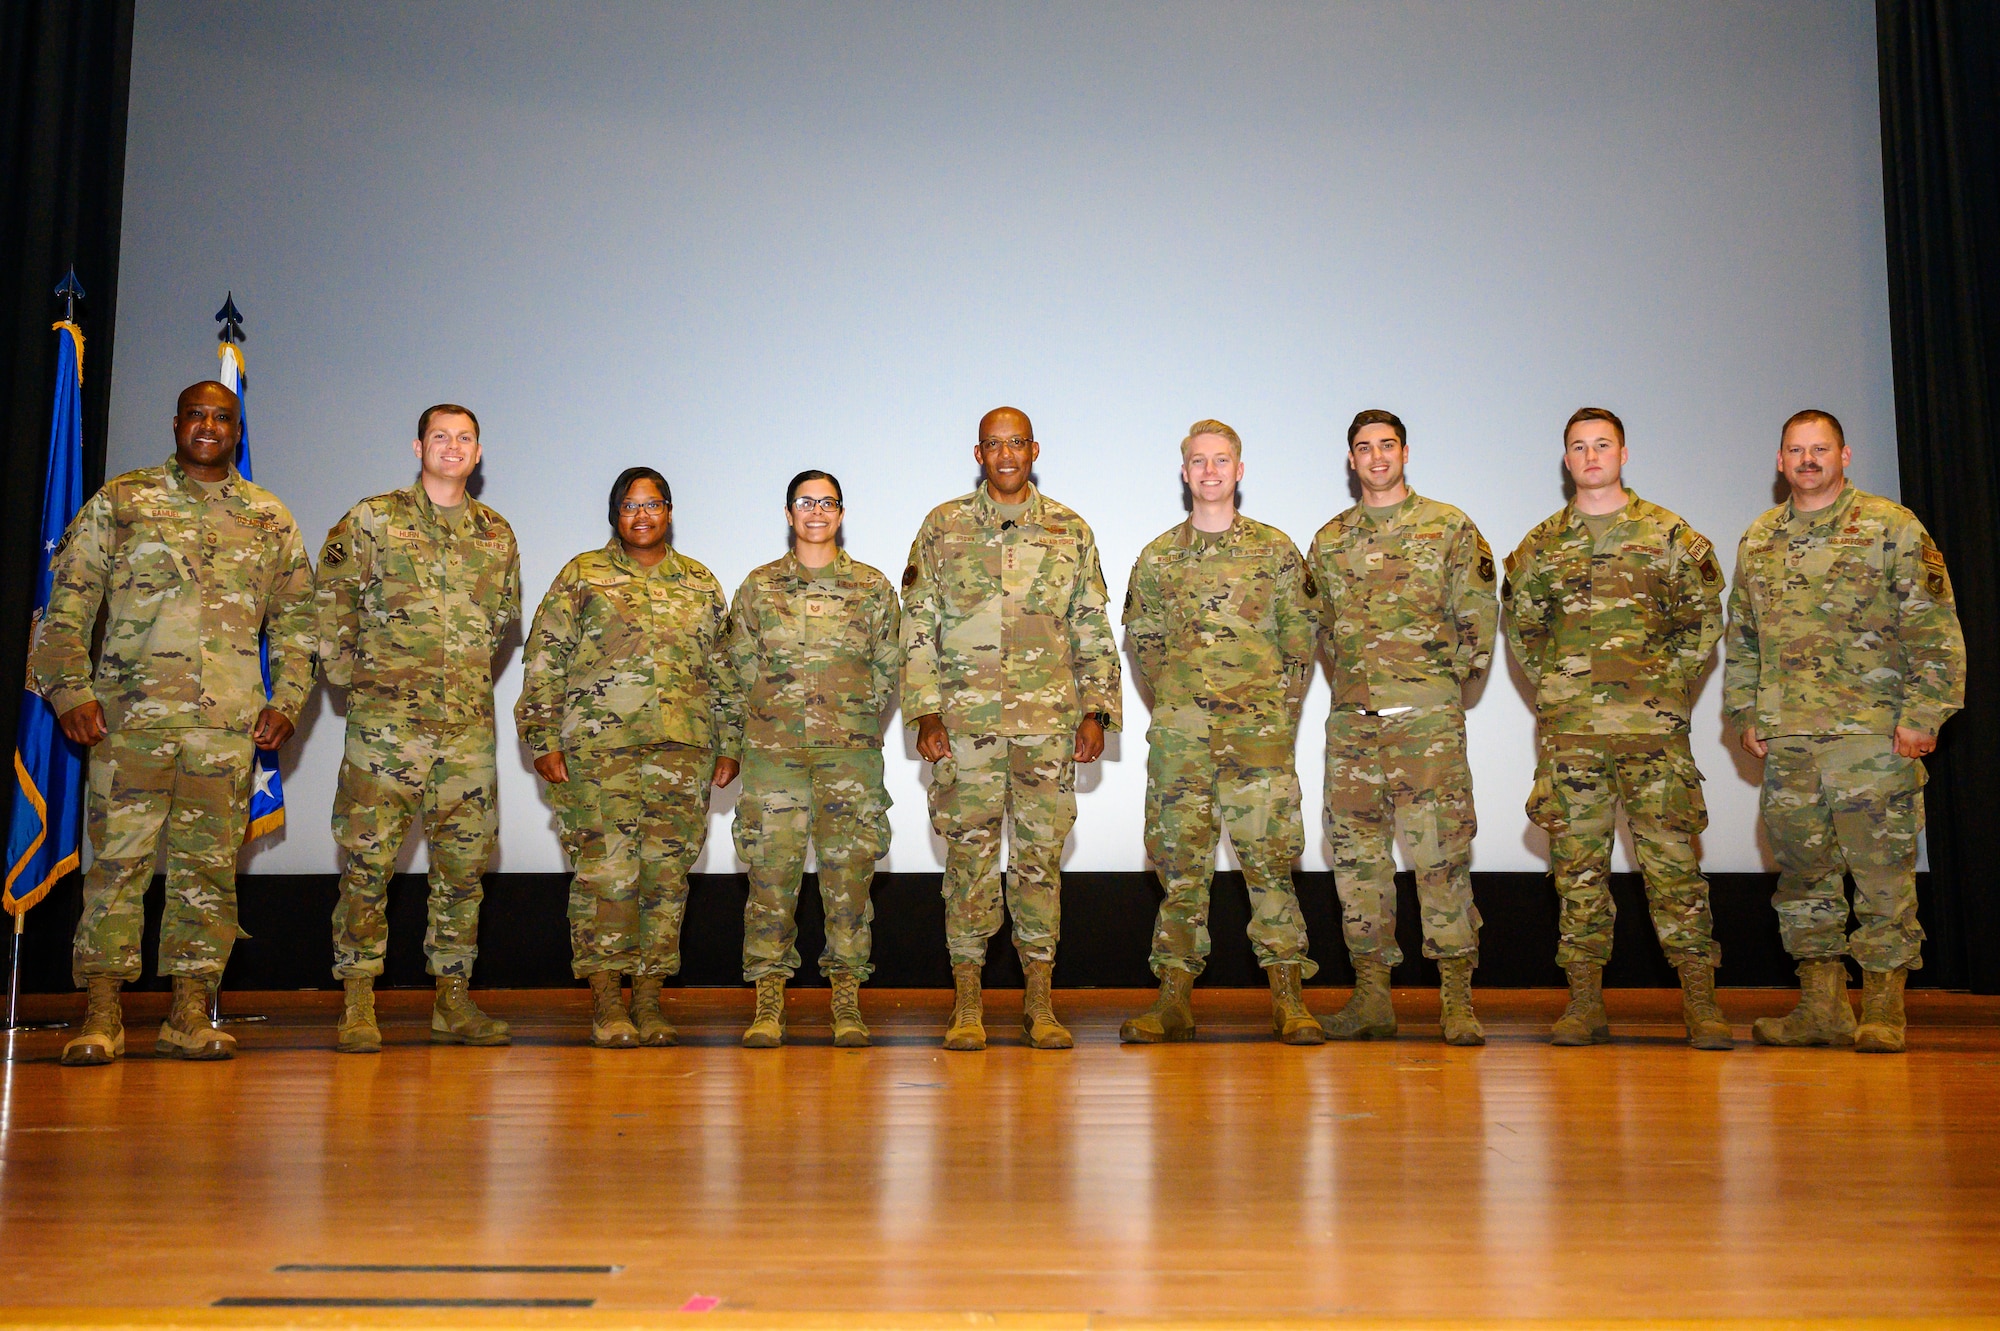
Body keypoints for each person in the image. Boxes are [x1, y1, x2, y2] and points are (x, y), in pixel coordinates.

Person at [35, 381, 315, 1066]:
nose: (209, 426)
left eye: (222, 417)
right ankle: (102, 1013)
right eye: (197, 414)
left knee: (208, 872)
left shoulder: (267, 516)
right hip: (128, 723)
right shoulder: (123, 502)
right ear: (176, 423)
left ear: (237, 430)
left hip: (226, 728)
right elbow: (66, 603)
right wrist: (71, 690)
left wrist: (290, 700)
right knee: (117, 871)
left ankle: (190, 1012)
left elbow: (301, 623)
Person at [1724, 409, 1964, 1054]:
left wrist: (1923, 717)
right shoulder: (1760, 538)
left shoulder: (1891, 528)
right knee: (1805, 880)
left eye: (1819, 449)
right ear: (1779, 462)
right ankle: (1821, 1010)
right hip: (1790, 745)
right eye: (1796, 451)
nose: (1807, 460)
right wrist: (1744, 712)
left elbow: (1934, 632)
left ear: (1844, 455)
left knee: (1884, 876)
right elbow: (1743, 637)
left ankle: (1884, 1011)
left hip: (1873, 741)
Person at [1504, 407, 1731, 1049]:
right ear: (1567, 460)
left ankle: (1701, 1005)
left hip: (1654, 736)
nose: (1591, 455)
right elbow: (1523, 631)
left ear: (1623, 454)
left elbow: (1701, 620)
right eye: (1579, 447)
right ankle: (1583, 1005)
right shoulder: (1543, 545)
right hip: (1572, 738)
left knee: (1675, 870)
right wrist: (1559, 688)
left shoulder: (1666, 534)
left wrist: (1663, 685)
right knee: (1576, 871)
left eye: (1603, 444)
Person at [902, 406, 1121, 1050]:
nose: (1005, 455)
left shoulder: (1068, 530)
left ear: (1034, 450)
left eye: (1016, 443)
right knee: (967, 862)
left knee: (1039, 864)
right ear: (978, 453)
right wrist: (925, 711)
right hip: (963, 728)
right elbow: (917, 624)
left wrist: (1095, 710)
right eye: (993, 445)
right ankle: (967, 1005)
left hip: (1046, 729)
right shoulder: (942, 527)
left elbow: (1090, 625)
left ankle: (1039, 1005)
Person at [316, 404, 521, 1052]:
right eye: (441, 437)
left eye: (464, 439)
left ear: (479, 452)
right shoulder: (373, 518)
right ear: (418, 445)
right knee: (368, 863)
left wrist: (455, 680)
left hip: (464, 727)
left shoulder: (497, 533)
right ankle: (357, 1001)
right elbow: (332, 603)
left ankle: (452, 999)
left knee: (462, 867)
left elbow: (500, 625)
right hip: (387, 729)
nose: (452, 447)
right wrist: (360, 683)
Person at [518, 467, 739, 1048]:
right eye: (630, 506)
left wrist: (731, 741)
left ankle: (648, 1000)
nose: (642, 515)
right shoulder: (583, 576)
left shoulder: (700, 583)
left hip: (682, 754)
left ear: (669, 512)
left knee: (666, 881)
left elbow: (725, 670)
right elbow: (545, 657)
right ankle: (605, 1003)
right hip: (598, 755)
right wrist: (542, 739)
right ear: (614, 514)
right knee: (606, 877)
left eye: (654, 504)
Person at [1119, 421, 1324, 1045]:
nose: (1210, 471)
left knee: (1270, 869)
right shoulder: (1157, 558)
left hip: (1258, 740)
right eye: (1198, 462)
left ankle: (1289, 999)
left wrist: (1270, 715)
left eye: (1222, 460)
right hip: (1181, 742)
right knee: (1181, 873)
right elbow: (1146, 646)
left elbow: (1300, 643)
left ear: (1239, 470)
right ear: (1184, 474)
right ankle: (1175, 1000)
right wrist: (1184, 706)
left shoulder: (1275, 552)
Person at [1307, 409, 1497, 1045]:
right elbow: (1324, 630)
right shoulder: (1329, 540)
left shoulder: (1449, 528)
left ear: (1406, 453)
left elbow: (1477, 620)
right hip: (1353, 726)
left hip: (1426, 726)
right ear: (1352, 460)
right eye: (1364, 448)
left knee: (1440, 855)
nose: (1377, 457)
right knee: (1358, 863)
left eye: (1387, 445)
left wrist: (1434, 693)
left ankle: (1456, 1001)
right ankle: (1371, 999)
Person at [723, 471, 899, 1048]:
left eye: (827, 503)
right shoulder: (758, 587)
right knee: (771, 880)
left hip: (849, 758)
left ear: (841, 512)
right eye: (806, 502)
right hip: (775, 758)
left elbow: (887, 668)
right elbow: (737, 665)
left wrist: (846, 720)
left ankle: (846, 1001)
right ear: (789, 512)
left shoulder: (872, 588)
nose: (816, 512)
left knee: (848, 884)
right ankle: (769, 1001)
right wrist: (777, 718)